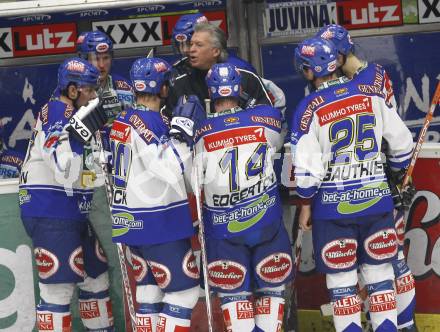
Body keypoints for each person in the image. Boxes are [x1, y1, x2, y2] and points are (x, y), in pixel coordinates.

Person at [291, 37, 414, 332]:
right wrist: (396, 175)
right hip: (376, 202)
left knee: (343, 281)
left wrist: (306, 203)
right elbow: (402, 143)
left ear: (310, 71)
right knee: (381, 275)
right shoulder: (369, 92)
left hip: (333, 212)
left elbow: (307, 174)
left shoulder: (309, 108)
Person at [194, 62, 293, 331]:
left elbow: (189, 177)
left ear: (211, 93)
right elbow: (278, 98)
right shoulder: (268, 119)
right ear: (240, 90)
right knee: (272, 291)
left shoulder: (200, 132)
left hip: (224, 229)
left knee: (233, 295)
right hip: (266, 223)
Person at [109, 57, 203, 331]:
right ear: (163, 88)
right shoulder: (151, 122)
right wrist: (183, 137)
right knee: (183, 292)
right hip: (159, 223)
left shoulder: (122, 120)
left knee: (149, 290)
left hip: (130, 222)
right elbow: (168, 169)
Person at [19, 57, 112, 331]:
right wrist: (80, 135)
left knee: (96, 278)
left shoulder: (72, 115)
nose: (94, 96)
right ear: (72, 90)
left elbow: (85, 175)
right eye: (89, 90)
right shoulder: (59, 112)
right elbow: (61, 168)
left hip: (70, 211)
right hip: (51, 211)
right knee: (57, 290)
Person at [166, 23, 272, 115]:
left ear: (216, 51)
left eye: (199, 45)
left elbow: (268, 113)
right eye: (191, 44)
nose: (191, 49)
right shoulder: (179, 84)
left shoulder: (245, 77)